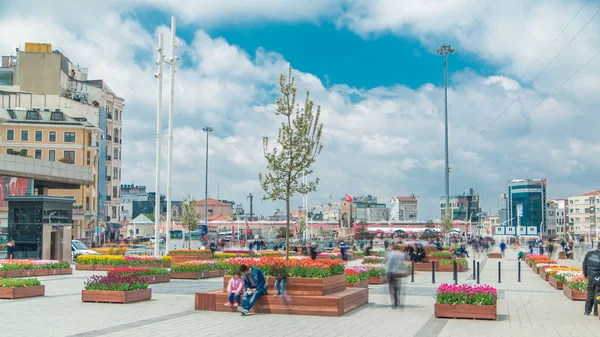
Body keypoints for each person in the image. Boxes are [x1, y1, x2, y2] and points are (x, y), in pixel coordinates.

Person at [583, 242, 600, 316]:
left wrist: (585, 274)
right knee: (598, 294)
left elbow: (584, 264)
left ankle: (587, 311)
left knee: (590, 294)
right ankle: (596, 312)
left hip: (590, 277)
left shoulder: (589, 253)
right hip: (598, 277)